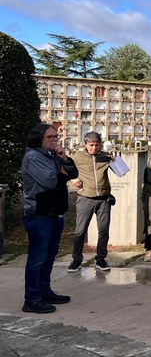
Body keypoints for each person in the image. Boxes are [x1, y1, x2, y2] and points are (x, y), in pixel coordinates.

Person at [21, 124, 78, 313]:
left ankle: (44, 291)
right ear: (39, 138)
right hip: (39, 214)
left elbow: (74, 173)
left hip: (54, 213)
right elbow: (51, 181)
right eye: (51, 137)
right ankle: (32, 299)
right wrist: (63, 174)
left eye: (56, 136)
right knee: (37, 259)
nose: (55, 140)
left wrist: (64, 158)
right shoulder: (32, 157)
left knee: (49, 257)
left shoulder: (52, 155)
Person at [68, 131, 115, 273]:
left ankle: (100, 259)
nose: (94, 148)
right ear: (85, 145)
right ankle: (76, 260)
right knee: (80, 231)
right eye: (91, 145)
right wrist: (72, 179)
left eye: (97, 145)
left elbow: (121, 168)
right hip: (85, 198)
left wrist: (115, 160)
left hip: (103, 199)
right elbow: (63, 167)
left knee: (104, 231)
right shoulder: (77, 157)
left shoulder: (105, 156)